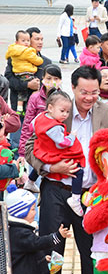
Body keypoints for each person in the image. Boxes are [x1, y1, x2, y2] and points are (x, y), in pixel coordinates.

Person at [25, 66, 108, 274]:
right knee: (52, 253)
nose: (89, 98)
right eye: (84, 92)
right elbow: (29, 147)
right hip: (56, 191)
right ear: (73, 88)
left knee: (90, 255)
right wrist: (52, 169)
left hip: (90, 196)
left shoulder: (107, 113)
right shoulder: (58, 109)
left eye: (94, 92)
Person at [7, 187, 71, 274]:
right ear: (21, 211)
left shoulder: (16, 229)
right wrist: (57, 236)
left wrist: (42, 259)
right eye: (32, 210)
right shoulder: (21, 233)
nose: (35, 212)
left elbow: (27, 252)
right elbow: (37, 243)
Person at [31, 90, 88, 216]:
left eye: (67, 112)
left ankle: (30, 181)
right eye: (62, 111)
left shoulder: (42, 117)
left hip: (43, 150)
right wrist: (72, 137)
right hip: (54, 160)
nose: (65, 115)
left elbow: (32, 125)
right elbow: (62, 143)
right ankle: (75, 198)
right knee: (78, 171)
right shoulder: (55, 126)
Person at [19, 64, 62, 192]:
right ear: (42, 79)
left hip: (55, 149)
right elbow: (27, 125)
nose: (52, 82)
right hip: (36, 146)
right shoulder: (35, 98)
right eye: (48, 78)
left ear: (60, 80)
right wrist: (22, 152)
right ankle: (34, 212)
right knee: (33, 183)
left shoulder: (64, 98)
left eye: (55, 79)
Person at [5, 27, 52, 114]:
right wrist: (27, 84)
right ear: (28, 41)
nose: (40, 42)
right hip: (20, 108)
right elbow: (8, 80)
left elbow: (51, 85)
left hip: (39, 109)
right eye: (37, 39)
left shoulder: (46, 62)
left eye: (42, 39)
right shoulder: (14, 59)